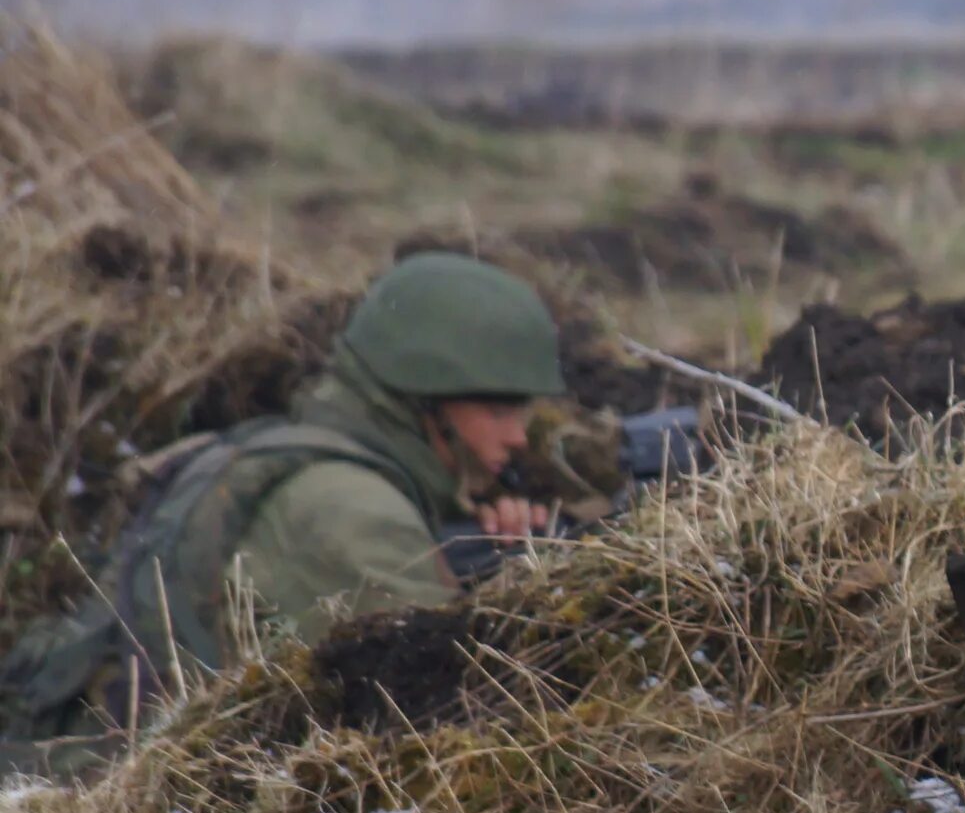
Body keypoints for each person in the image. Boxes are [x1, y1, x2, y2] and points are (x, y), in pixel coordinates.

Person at [0, 252, 566, 755]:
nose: (519, 436)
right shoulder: (349, 511)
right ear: (424, 402)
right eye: (496, 410)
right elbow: (456, 723)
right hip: (130, 807)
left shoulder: (273, 449)